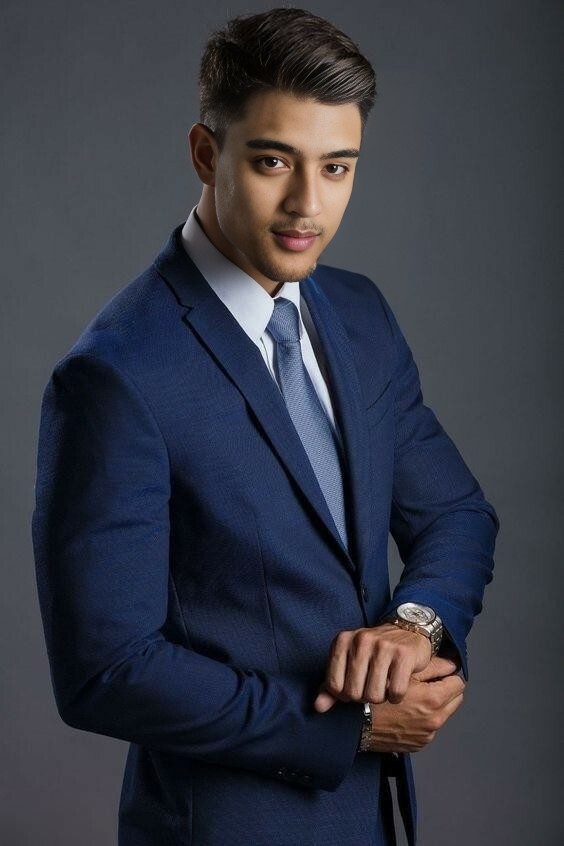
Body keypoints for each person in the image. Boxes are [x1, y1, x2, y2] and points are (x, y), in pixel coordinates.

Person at [31, 7, 499, 846]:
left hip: (375, 822)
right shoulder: (115, 377)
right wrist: (349, 729)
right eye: (273, 161)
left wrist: (415, 626)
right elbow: (105, 669)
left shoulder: (359, 315)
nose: (307, 204)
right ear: (205, 154)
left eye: (337, 167)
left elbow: (456, 514)